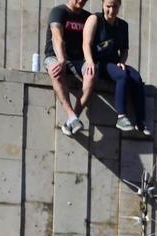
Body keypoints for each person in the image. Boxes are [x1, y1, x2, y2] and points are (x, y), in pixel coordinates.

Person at [85, 0, 148, 135]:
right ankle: (121, 116)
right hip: (99, 63)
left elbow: (124, 50)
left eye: (115, 6)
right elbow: (86, 44)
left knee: (136, 77)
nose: (111, 10)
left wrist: (121, 61)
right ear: (103, 5)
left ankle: (140, 121)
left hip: (114, 62)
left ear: (119, 5)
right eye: (108, 6)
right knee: (122, 76)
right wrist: (90, 62)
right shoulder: (95, 19)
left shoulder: (123, 25)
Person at [44, 0, 96, 135]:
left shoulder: (88, 17)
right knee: (56, 71)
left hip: (78, 60)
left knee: (91, 75)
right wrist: (61, 59)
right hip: (55, 56)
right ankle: (71, 115)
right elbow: (57, 38)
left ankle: (72, 119)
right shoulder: (59, 12)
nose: (81, 1)